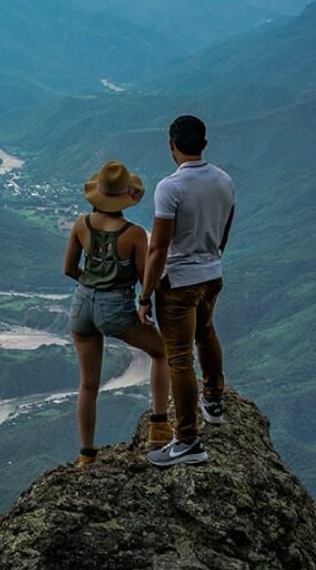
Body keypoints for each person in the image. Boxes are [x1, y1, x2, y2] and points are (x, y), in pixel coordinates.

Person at [139, 115, 235, 467]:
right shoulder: (224, 180)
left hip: (179, 281)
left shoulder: (170, 188)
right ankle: (214, 400)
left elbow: (158, 248)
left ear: (171, 145)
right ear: (204, 145)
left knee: (179, 358)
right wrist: (213, 257)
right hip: (213, 274)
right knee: (206, 333)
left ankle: (188, 441)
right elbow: (225, 228)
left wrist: (145, 293)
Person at [63, 161, 173, 467]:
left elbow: (69, 269)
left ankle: (86, 455)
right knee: (161, 351)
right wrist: (144, 302)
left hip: (82, 305)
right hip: (114, 308)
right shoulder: (134, 234)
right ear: (127, 197)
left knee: (88, 384)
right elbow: (144, 277)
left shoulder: (81, 224)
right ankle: (160, 424)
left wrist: (93, 282)